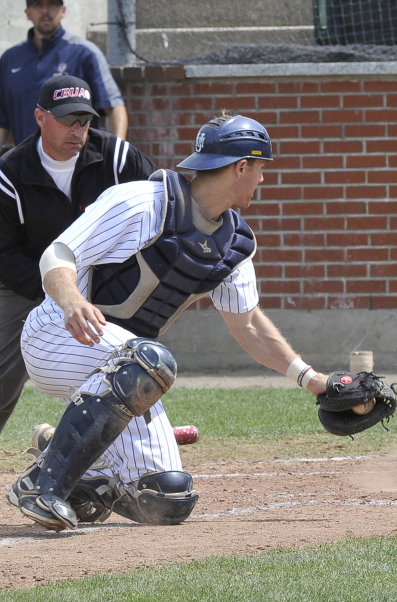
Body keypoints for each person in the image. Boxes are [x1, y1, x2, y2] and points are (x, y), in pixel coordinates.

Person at [6, 114, 337, 532]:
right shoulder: (141, 202)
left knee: (166, 498)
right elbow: (57, 255)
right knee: (151, 361)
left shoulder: (232, 243)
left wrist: (311, 380)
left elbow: (248, 326)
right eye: (260, 169)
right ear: (241, 166)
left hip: (120, 367)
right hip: (58, 334)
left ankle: (68, 456)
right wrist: (72, 301)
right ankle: (41, 485)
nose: (262, 180)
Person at [0, 74, 154, 435]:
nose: (77, 130)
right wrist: (60, 296)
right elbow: (3, 254)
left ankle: (116, 451)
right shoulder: (10, 173)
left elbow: (158, 202)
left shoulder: (117, 158)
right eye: (67, 119)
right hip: (27, 285)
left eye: (84, 120)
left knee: (133, 367)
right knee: (2, 379)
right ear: (40, 118)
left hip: (105, 283)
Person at [0, 0, 128, 148]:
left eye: (53, 4)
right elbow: (2, 122)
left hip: (79, 165)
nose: (45, 11)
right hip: (28, 167)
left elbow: (115, 107)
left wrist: (118, 156)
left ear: (63, 10)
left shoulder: (84, 53)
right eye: (38, 5)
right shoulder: (10, 59)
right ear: (27, 13)